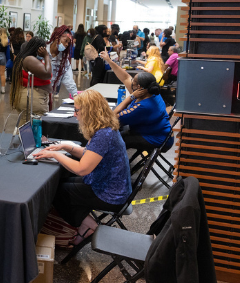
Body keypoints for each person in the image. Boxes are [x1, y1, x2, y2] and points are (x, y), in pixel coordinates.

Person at [33, 90, 131, 243]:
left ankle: (89, 227)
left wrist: (55, 155)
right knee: (61, 184)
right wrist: (65, 147)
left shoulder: (103, 135)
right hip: (110, 186)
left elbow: (82, 169)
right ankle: (84, 225)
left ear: (88, 111)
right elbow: (89, 154)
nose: (74, 114)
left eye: (77, 110)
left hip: (110, 194)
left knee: (57, 192)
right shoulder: (106, 129)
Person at [101, 52, 173, 151]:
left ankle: (116, 165)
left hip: (157, 139)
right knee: (119, 133)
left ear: (139, 87)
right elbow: (125, 77)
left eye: (133, 82)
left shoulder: (143, 106)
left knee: (113, 140)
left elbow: (112, 118)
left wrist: (130, 97)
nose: (131, 83)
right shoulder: (152, 92)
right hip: (162, 133)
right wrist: (109, 61)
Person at [9, 36, 51, 125]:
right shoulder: (29, 59)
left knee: (26, 128)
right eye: (43, 49)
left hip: (32, 97)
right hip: (33, 98)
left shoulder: (26, 58)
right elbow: (47, 74)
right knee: (31, 131)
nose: (44, 51)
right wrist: (46, 56)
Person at [49, 25, 78, 99]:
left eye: (68, 42)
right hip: (41, 92)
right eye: (65, 41)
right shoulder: (43, 52)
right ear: (57, 38)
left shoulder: (64, 59)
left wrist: (75, 94)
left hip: (53, 91)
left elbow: (68, 78)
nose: (67, 44)